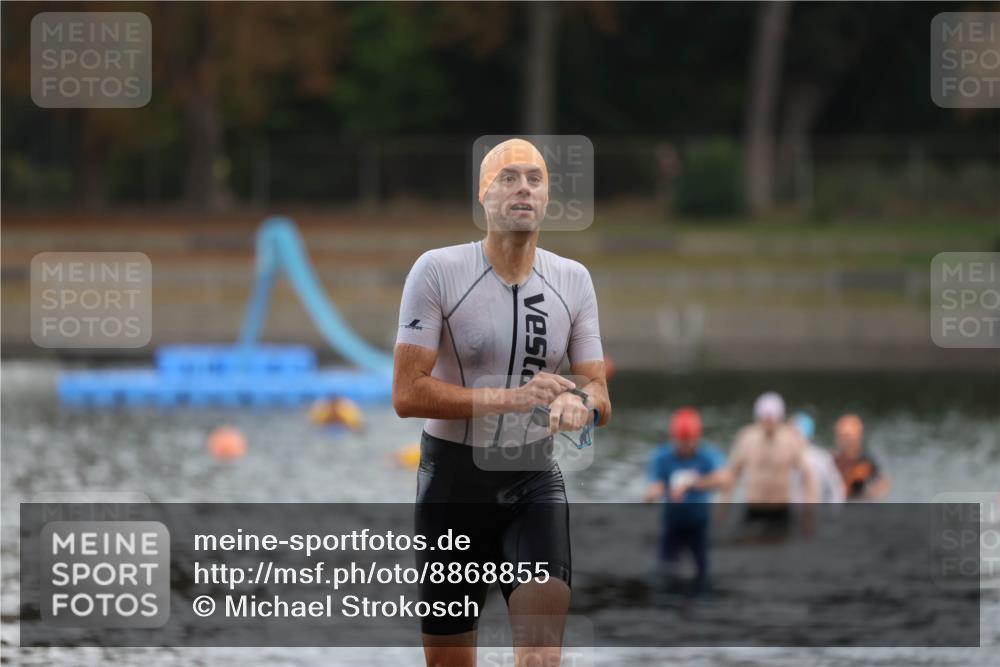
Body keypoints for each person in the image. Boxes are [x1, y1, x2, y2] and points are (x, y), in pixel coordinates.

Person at [393, 137, 612, 667]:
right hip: (452, 487)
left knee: (540, 657)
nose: (522, 188)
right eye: (507, 178)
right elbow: (406, 393)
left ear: (548, 198)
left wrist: (580, 405)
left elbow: (598, 390)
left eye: (534, 179)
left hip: (534, 481)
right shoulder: (438, 271)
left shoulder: (573, 281)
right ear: (483, 196)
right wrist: (512, 399)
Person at [644, 407, 727, 594]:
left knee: (702, 573)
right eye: (681, 441)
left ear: (697, 437)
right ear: (673, 438)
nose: (685, 446)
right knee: (666, 573)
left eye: (689, 441)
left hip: (699, 524)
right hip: (672, 524)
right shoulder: (662, 457)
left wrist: (691, 484)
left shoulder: (707, 455)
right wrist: (653, 492)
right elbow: (652, 487)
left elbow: (723, 479)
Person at [719, 392, 817, 529]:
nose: (769, 423)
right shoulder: (746, 438)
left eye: (772, 419)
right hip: (754, 508)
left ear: (780, 417)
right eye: (766, 419)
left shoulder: (790, 438)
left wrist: (809, 510)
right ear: (758, 417)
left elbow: (807, 475)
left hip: (781, 509)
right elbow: (732, 474)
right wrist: (723, 507)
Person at [789, 412, 846, 505]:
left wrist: (833, 514)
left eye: (795, 433)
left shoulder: (821, 459)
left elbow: (837, 488)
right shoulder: (783, 458)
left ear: (806, 435)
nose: (790, 437)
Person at [833, 413, 890, 500]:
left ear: (858, 437)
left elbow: (882, 486)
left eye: (848, 437)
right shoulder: (832, 461)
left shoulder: (867, 463)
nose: (845, 442)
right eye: (842, 437)